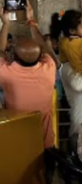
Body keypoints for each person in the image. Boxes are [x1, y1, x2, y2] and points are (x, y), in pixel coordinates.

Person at [0, 5, 58, 149]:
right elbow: (43, 46)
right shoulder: (49, 68)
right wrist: (31, 20)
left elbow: (0, 51)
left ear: (13, 56)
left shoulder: (7, 73)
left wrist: (6, 23)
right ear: (40, 56)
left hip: (17, 142)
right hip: (46, 142)